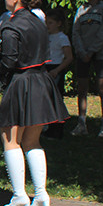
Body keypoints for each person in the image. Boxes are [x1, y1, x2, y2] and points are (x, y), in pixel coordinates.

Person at [0, 0, 69, 206]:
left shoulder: (11, 24)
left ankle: (19, 194)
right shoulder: (39, 22)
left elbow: (8, 60)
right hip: (41, 80)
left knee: (10, 139)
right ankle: (41, 193)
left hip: (21, 82)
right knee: (33, 140)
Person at [72, 0, 103, 138]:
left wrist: (92, 51)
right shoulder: (81, 10)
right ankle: (81, 123)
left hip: (99, 55)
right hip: (82, 54)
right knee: (82, 89)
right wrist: (82, 51)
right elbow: (76, 32)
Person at [42, 9, 74, 140]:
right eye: (46, 23)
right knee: (46, 99)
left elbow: (69, 57)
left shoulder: (62, 38)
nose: (47, 25)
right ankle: (48, 127)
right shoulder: (47, 37)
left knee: (56, 100)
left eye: (50, 23)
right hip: (46, 67)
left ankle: (57, 130)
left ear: (58, 23)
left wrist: (57, 70)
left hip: (56, 69)